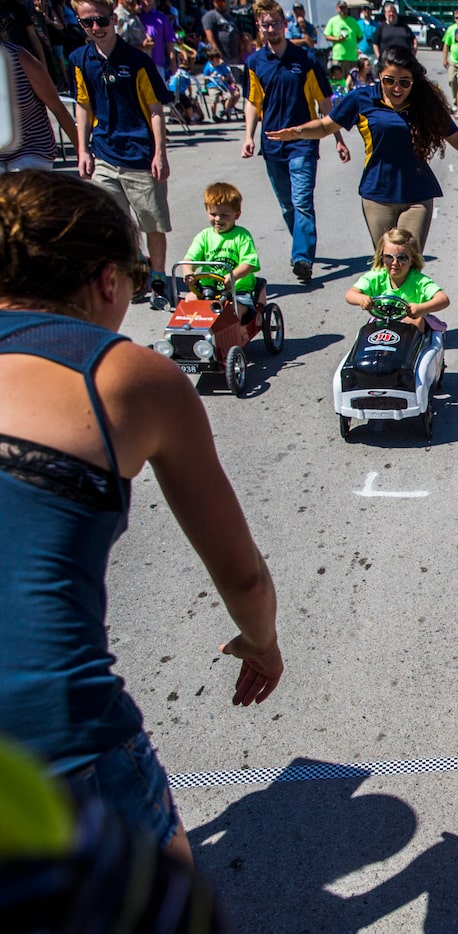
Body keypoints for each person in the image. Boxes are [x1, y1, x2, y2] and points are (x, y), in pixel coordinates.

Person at [0, 169, 282, 867]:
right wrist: (261, 642)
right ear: (105, 281)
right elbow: (241, 574)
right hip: (51, 725)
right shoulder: (125, 376)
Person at [270, 44, 458, 251]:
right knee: (387, 264)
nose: (397, 88)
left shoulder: (424, 103)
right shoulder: (361, 100)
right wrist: (297, 132)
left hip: (417, 195)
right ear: (379, 77)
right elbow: (325, 126)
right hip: (377, 194)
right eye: (389, 81)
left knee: (408, 261)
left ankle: (416, 308)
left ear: (413, 81)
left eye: (404, 82)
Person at [71, 0, 174, 309]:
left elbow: (156, 110)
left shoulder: (137, 60)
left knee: (151, 224)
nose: (95, 28)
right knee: (115, 225)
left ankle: (158, 278)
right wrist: (82, 151)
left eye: (101, 21)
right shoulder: (80, 59)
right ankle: (134, 275)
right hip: (103, 153)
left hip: (140, 155)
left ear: (114, 19)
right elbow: (83, 105)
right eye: (86, 23)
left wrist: (160, 153)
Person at [243, 0, 350, 285]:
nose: (271, 29)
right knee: (287, 205)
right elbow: (253, 102)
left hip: (302, 141)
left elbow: (324, 103)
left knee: (302, 201)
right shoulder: (254, 63)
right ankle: (300, 246)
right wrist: (248, 137)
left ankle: (302, 258)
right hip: (272, 144)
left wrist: (337, 138)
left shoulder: (305, 59)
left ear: (284, 23)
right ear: (259, 27)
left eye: (275, 23)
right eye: (265, 24)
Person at [344, 226, 449, 336]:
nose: (394, 263)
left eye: (402, 258)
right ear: (381, 257)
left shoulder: (418, 281)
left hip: (411, 328)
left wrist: (421, 308)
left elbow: (443, 299)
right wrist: (361, 298)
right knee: (366, 332)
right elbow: (350, 294)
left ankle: (410, 351)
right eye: (388, 257)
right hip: (382, 322)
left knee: (413, 321)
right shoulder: (376, 277)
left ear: (412, 259)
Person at [0, 40, 79, 171]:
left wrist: (82, 152)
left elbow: (58, 109)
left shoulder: (21, 58)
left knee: (23, 185)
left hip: (31, 147)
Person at [181, 181, 261, 308]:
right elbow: (190, 258)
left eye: (224, 215)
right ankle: (190, 327)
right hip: (208, 287)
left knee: (236, 310)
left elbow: (249, 263)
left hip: (237, 289)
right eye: (213, 214)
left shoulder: (242, 236)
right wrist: (188, 272)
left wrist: (233, 275)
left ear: (237, 214)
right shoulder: (204, 236)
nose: (218, 219)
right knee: (189, 301)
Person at [136, 0, 175, 78]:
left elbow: (169, 43)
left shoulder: (161, 18)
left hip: (157, 65)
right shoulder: (134, 16)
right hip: (137, 66)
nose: (147, 2)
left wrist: (173, 65)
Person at [323, 1, 361, 76]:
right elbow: (327, 36)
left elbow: (360, 36)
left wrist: (353, 43)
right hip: (339, 57)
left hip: (352, 57)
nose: (343, 10)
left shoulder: (353, 21)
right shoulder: (333, 21)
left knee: (352, 80)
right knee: (339, 80)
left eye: (344, 8)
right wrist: (337, 39)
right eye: (341, 8)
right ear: (337, 9)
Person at [203, 50, 241, 116]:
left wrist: (225, 78)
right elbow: (205, 77)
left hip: (223, 85)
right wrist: (211, 76)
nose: (219, 60)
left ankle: (226, 111)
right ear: (211, 60)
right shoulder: (208, 67)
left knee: (229, 96)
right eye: (216, 59)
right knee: (214, 99)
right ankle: (214, 115)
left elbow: (227, 75)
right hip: (213, 85)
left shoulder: (222, 66)